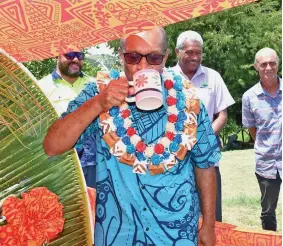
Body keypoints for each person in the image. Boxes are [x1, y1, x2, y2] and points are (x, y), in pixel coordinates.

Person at [43, 27, 221, 246]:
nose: (143, 67)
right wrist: (99, 103)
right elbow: (52, 145)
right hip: (117, 234)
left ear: (165, 57)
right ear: (121, 56)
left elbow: (205, 164)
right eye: (133, 57)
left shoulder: (189, 100)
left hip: (176, 233)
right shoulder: (98, 93)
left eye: (153, 57)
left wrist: (209, 226)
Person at [172, 30, 235, 222]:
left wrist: (201, 140)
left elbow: (222, 115)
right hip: (174, 161)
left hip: (207, 160)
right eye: (190, 52)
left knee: (211, 218)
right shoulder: (165, 78)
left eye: (198, 53)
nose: (195, 57)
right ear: (177, 52)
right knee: (177, 217)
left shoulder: (213, 77)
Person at [38, 51, 97, 188]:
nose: (75, 59)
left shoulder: (94, 85)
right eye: (69, 55)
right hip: (59, 166)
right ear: (56, 55)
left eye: (79, 55)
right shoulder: (42, 88)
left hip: (93, 163)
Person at [242, 47, 282, 231]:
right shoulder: (249, 97)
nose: (268, 67)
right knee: (268, 211)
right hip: (266, 164)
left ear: (278, 64)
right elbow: (252, 129)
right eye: (263, 64)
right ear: (256, 67)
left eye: (272, 63)